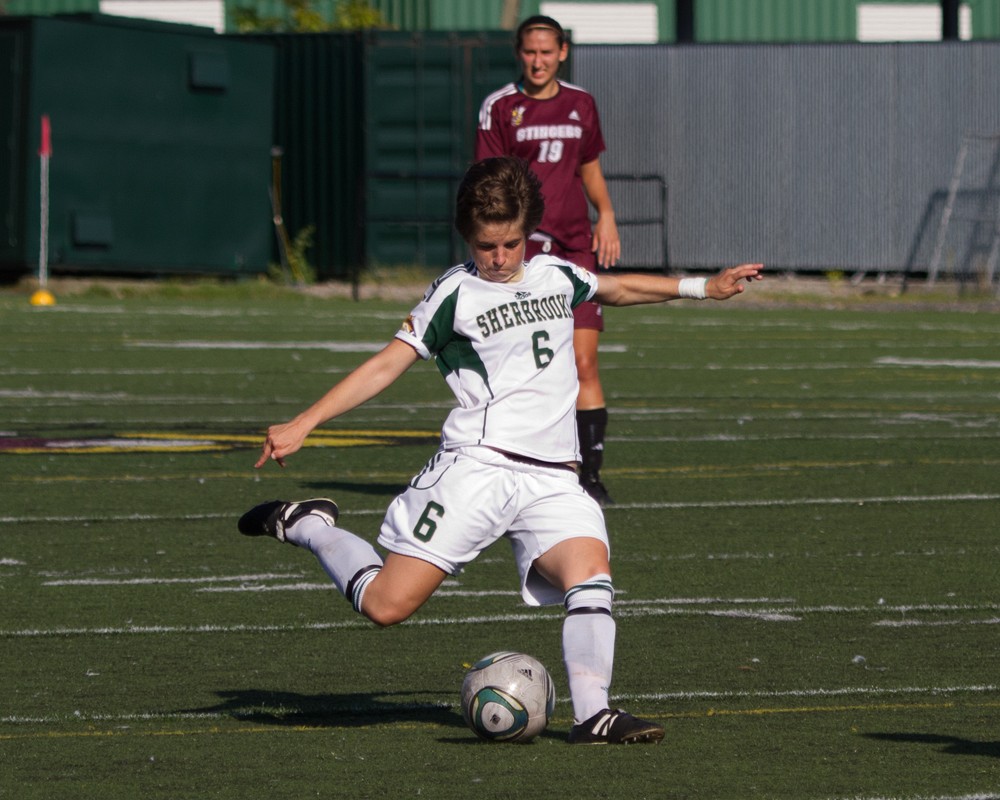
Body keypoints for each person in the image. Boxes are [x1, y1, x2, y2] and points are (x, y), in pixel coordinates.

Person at [238, 156, 763, 745]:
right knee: (386, 605)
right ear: (469, 238)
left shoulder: (554, 274)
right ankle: (309, 524)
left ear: (527, 232)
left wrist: (702, 288)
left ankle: (594, 714)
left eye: (511, 243)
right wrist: (306, 421)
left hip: (555, 479)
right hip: (477, 469)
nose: (499, 257)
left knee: (590, 578)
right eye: (487, 245)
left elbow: (614, 287)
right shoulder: (453, 294)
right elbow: (388, 364)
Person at [476, 15, 620, 505]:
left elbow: (589, 167)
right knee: (524, 362)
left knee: (583, 360)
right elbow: (489, 183)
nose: (537, 61)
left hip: (575, 246)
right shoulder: (500, 107)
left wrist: (607, 215)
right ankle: (512, 459)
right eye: (529, 52)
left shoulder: (582, 103)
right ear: (520, 54)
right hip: (523, 253)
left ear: (562, 52)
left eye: (546, 52)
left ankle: (589, 475)